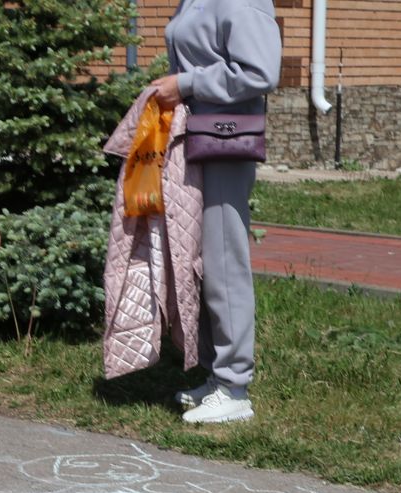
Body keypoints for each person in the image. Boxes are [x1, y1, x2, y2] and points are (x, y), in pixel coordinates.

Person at [151, 0, 280, 425]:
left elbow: (261, 71)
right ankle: (215, 375)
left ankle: (235, 388)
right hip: (195, 138)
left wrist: (187, 83)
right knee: (201, 259)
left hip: (225, 142)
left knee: (224, 260)